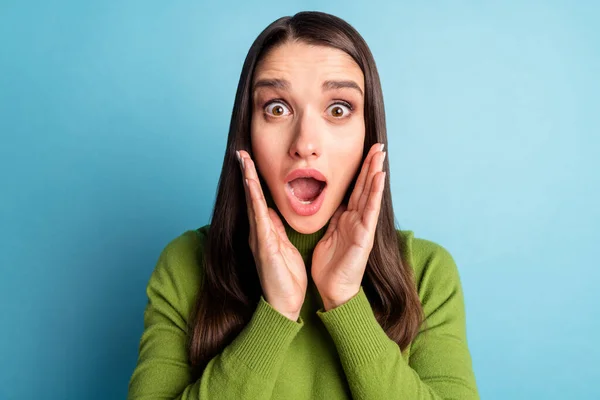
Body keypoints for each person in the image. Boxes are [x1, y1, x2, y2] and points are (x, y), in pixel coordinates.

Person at [127, 11, 479, 400]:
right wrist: (274, 314)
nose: (305, 142)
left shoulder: (427, 273)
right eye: (277, 108)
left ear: (369, 135)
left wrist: (346, 301)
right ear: (246, 134)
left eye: (338, 109)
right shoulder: (184, 266)